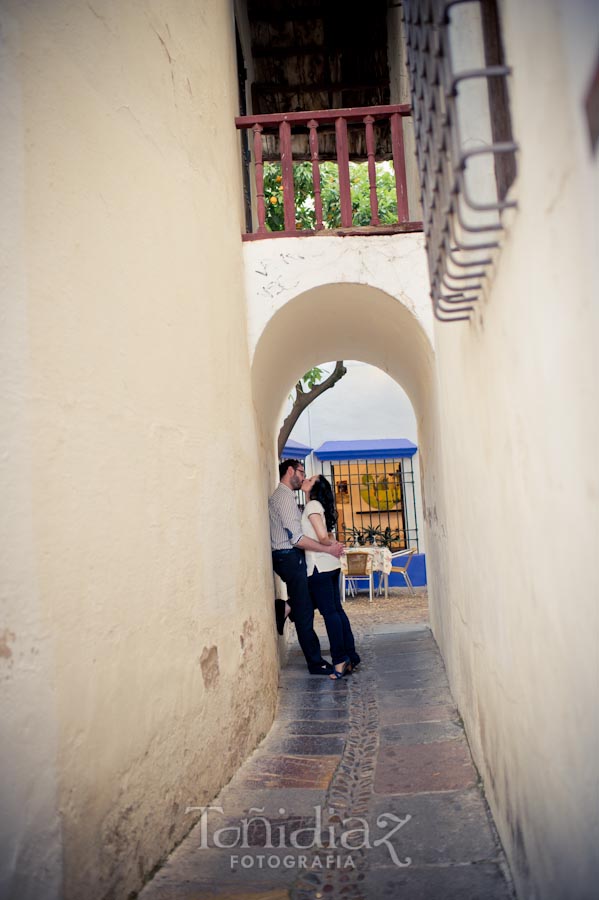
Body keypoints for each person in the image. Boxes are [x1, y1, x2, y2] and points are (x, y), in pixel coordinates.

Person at [269, 459, 345, 675]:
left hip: (292, 556)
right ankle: (315, 662)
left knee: (310, 598)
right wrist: (327, 550)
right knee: (305, 613)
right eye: (302, 472)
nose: (303, 477)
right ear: (291, 471)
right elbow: (297, 539)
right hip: (288, 556)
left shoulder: (289, 498)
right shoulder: (283, 498)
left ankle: (286, 607)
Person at [301, 474, 361, 680]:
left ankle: (340, 659)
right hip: (329, 565)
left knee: (330, 614)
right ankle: (350, 656)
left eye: (310, 479)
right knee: (337, 611)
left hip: (319, 566)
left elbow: (322, 536)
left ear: (314, 488)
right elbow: (328, 536)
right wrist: (333, 546)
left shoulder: (312, 506)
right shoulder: (318, 506)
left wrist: (329, 545)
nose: (305, 479)